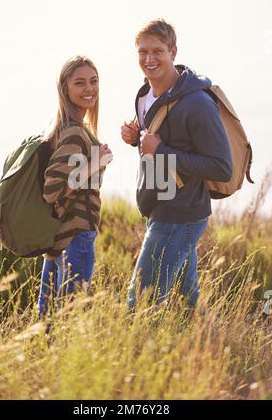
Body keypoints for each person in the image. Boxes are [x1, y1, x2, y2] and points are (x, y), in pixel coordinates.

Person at [121, 19, 232, 311]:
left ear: (173, 52)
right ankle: (209, 349)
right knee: (187, 303)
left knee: (140, 302)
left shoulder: (197, 103)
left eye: (158, 51)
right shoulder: (145, 95)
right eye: (143, 52)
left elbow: (221, 167)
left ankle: (138, 355)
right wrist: (136, 140)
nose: (149, 59)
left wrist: (161, 150)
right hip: (158, 207)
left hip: (181, 214)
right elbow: (156, 144)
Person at [38, 56, 112, 318]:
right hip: (76, 237)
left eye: (93, 81)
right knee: (69, 318)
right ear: (65, 89)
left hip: (59, 238)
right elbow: (52, 189)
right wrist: (96, 163)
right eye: (79, 83)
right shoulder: (72, 132)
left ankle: (45, 359)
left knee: (48, 322)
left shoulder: (69, 128)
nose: (89, 88)